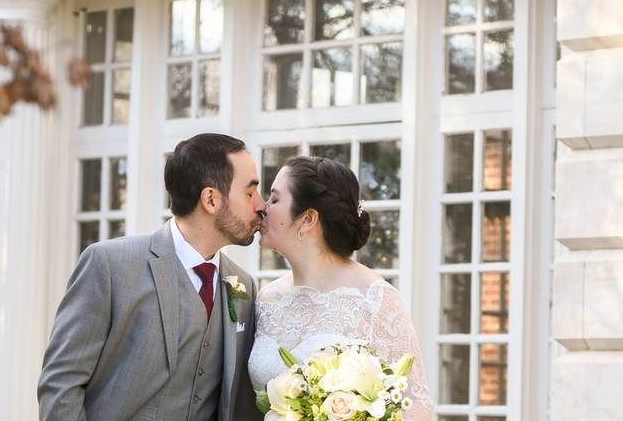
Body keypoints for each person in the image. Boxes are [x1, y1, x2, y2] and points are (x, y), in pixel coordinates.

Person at [38, 133, 266, 421]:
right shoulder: (110, 265)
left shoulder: (243, 286)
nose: (261, 205)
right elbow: (61, 384)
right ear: (210, 199)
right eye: (250, 193)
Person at [248, 155, 434, 420]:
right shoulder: (266, 300)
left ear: (307, 219)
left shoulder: (374, 298)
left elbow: (417, 404)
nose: (263, 207)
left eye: (275, 199)